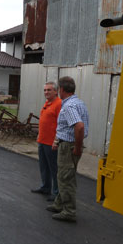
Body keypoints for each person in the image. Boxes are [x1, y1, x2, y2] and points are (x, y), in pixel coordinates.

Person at [46, 76, 89, 222]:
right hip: (66, 143)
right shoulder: (79, 103)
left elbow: (79, 126)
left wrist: (76, 147)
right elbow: (68, 128)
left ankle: (69, 211)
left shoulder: (69, 106)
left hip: (68, 146)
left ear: (62, 89)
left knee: (65, 178)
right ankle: (59, 204)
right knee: (63, 175)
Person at [31, 82, 62, 201]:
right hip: (42, 140)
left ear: (56, 91)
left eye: (49, 90)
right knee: (43, 166)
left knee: (54, 168)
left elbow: (61, 123)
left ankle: (56, 192)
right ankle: (45, 187)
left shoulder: (59, 104)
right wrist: (39, 134)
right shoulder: (47, 103)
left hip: (51, 142)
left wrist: (56, 140)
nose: (46, 92)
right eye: (45, 90)